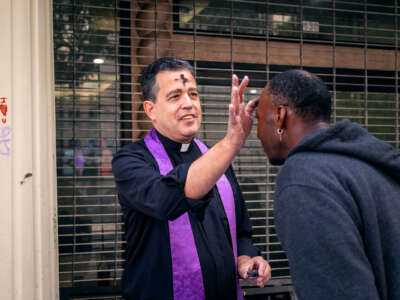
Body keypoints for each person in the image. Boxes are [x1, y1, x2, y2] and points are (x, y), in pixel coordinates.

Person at [112, 56, 271, 300]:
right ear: (150, 110)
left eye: (193, 94)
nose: (188, 104)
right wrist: (231, 142)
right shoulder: (131, 162)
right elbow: (166, 199)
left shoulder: (217, 159)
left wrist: (247, 260)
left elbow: (240, 232)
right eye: (175, 96)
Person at [255, 69, 400, 300]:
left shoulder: (303, 179)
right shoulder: (371, 165)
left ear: (280, 116)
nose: (258, 133)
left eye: (259, 119)